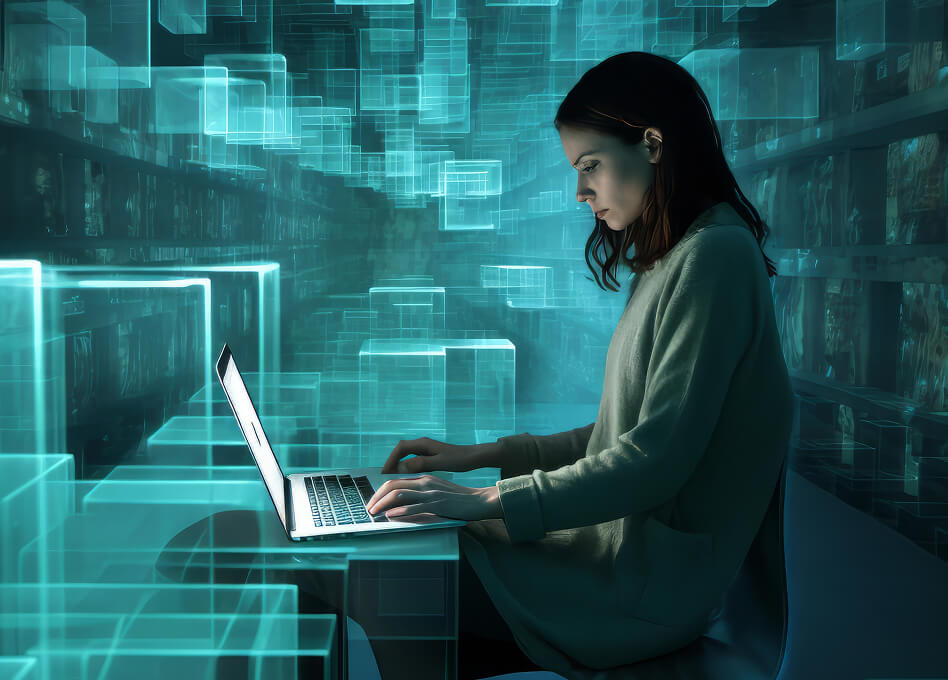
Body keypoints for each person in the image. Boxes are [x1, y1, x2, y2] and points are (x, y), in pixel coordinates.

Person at [319, 51, 796, 680]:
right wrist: (477, 457)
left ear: (653, 145)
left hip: (637, 589)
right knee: (383, 556)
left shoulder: (714, 260)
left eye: (591, 166)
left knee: (375, 569)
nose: (581, 192)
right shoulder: (674, 258)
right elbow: (612, 440)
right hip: (614, 559)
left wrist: (484, 500)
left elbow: (654, 463)